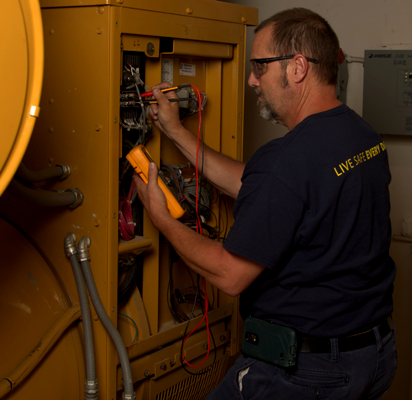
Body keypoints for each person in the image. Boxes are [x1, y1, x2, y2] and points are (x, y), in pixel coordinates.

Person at [133, 8, 397, 400]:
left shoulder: (287, 160)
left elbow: (229, 275)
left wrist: (161, 217)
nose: (252, 80)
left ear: (298, 67)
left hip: (307, 372)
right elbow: (261, 186)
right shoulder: (359, 134)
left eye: (259, 66)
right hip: (373, 356)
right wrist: (176, 133)